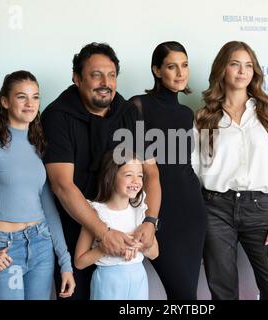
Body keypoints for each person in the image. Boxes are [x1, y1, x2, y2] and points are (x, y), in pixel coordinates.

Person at [41, 42, 161, 300]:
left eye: (111, 75)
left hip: (122, 225)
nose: (105, 82)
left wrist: (150, 221)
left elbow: (150, 173)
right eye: (96, 75)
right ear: (77, 78)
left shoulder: (128, 112)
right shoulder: (57, 116)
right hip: (75, 227)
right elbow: (62, 185)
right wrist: (102, 232)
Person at [0, 70, 75, 300]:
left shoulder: (38, 146)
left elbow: (48, 209)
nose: (30, 103)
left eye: (35, 97)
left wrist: (65, 262)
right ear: (5, 101)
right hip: (6, 248)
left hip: (41, 244)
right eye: (21, 97)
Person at [193, 41, 268, 300]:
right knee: (223, 291)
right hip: (215, 209)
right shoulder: (203, 116)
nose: (242, 71)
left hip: (262, 211)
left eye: (248, 65)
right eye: (235, 64)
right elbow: (194, 170)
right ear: (222, 70)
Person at [130, 41, 207, 300]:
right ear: (156, 70)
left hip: (192, 210)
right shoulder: (138, 106)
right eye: (172, 66)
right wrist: (149, 217)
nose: (180, 73)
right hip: (158, 212)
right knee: (183, 294)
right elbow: (132, 165)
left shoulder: (187, 113)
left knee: (188, 295)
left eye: (184, 66)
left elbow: (184, 164)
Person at [74, 150, 159, 300]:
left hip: (139, 279)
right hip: (108, 282)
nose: (136, 180)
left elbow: (154, 253)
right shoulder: (95, 214)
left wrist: (138, 245)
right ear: (110, 176)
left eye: (140, 175)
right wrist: (104, 248)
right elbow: (80, 262)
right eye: (128, 175)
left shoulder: (141, 211)